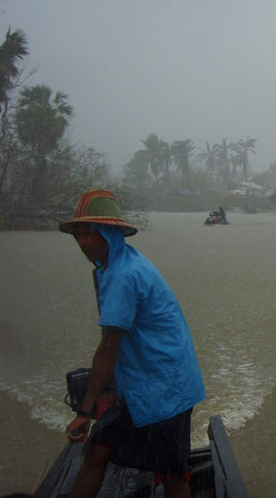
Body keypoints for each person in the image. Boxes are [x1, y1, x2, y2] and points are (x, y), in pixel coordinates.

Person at [59, 189, 205, 498]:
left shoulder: (125, 274)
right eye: (78, 235)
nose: (83, 243)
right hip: (145, 383)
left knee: (174, 472)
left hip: (165, 387)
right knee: (97, 452)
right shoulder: (115, 265)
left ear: (110, 234)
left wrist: (85, 412)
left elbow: (108, 348)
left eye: (91, 234)